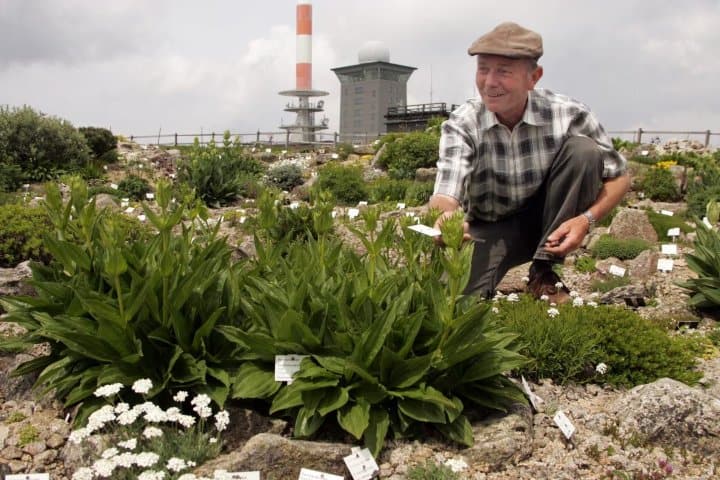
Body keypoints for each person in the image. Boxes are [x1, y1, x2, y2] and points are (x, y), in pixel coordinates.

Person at [429, 21, 630, 303]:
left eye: (504, 72)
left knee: (585, 151)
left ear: (533, 77)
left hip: (548, 219)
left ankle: (543, 269)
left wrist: (586, 220)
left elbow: (619, 176)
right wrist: (444, 217)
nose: (489, 82)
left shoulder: (568, 114)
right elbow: (446, 191)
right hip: (488, 226)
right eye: (483, 69)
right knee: (451, 305)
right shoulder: (463, 124)